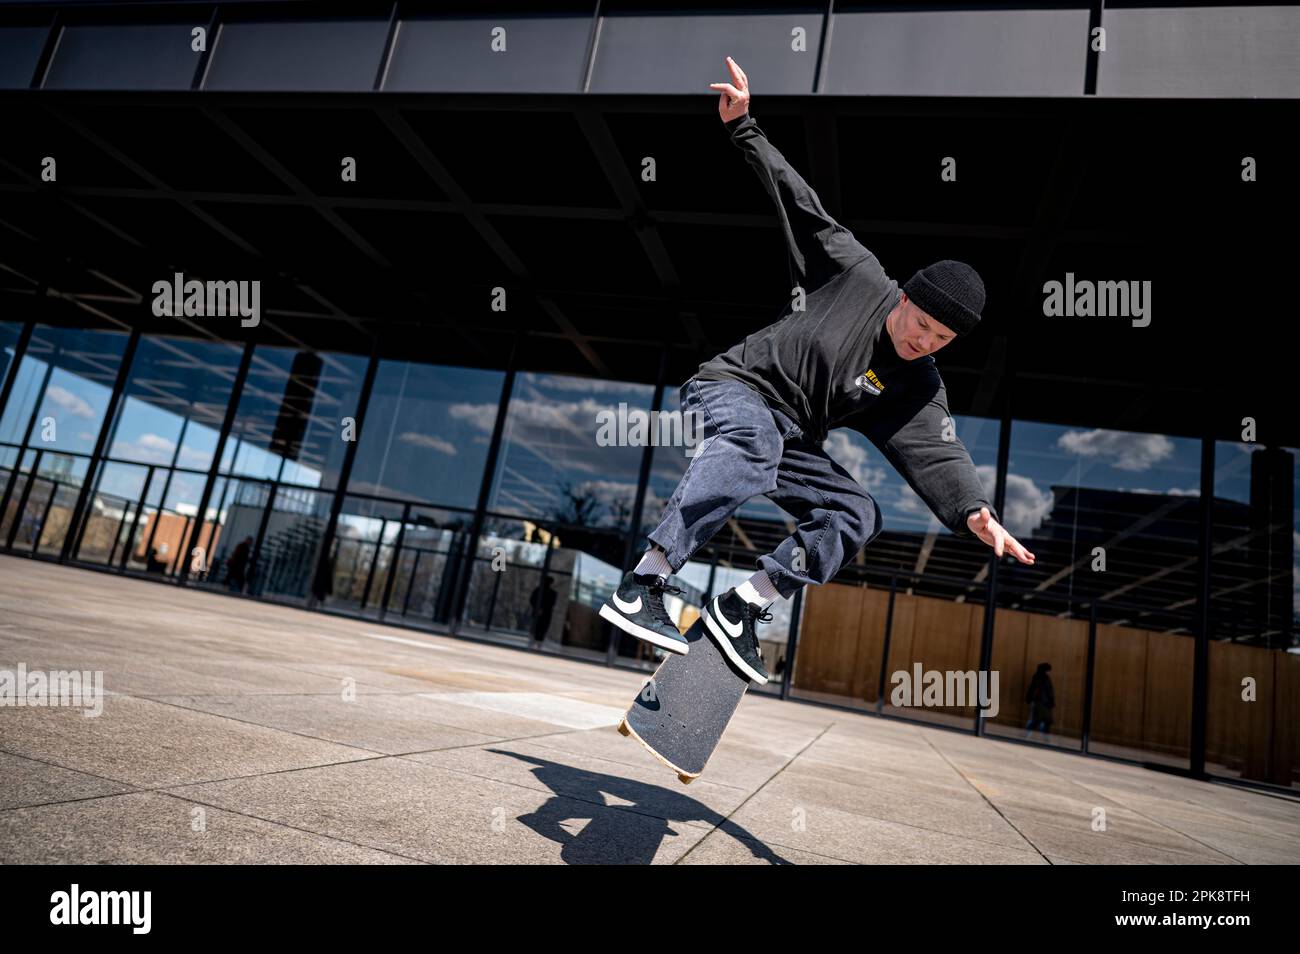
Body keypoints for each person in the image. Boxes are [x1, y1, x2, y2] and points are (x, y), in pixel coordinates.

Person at [600, 56, 1035, 686]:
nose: (923, 342)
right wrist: (744, 127)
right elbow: (804, 205)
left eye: (940, 340)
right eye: (921, 325)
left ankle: (743, 604)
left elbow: (938, 448)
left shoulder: (917, 384)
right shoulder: (857, 274)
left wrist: (974, 509)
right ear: (906, 299)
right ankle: (646, 580)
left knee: (855, 511)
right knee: (752, 442)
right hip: (730, 388)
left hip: (790, 435)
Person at [1024, 663, 1055, 740]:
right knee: (1042, 722)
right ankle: (1044, 739)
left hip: (1037, 702)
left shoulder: (1037, 677)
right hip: (1043, 703)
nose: (1049, 672)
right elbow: (1049, 692)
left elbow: (1031, 689)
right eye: (1048, 670)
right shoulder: (1045, 679)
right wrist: (1051, 701)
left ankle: (1026, 736)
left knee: (1034, 720)